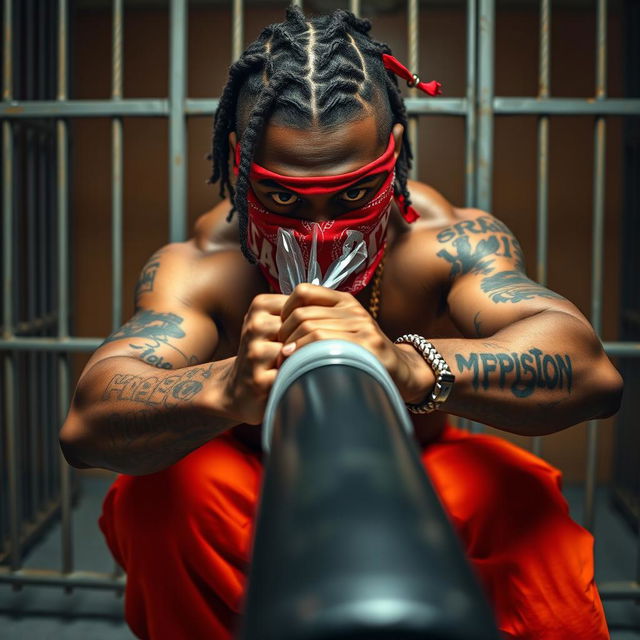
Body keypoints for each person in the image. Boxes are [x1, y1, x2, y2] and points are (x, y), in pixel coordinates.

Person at [59, 7, 622, 640]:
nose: (321, 229)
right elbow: (87, 424)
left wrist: (412, 365)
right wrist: (226, 388)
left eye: (354, 194)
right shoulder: (204, 265)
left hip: (415, 469)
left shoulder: (445, 242)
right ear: (240, 162)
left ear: (395, 151)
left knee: (520, 497)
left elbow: (590, 368)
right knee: (163, 497)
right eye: (284, 197)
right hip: (251, 487)